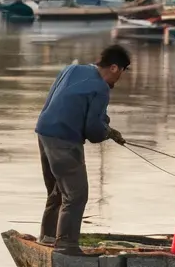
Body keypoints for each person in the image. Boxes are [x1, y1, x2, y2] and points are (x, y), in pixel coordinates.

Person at [35, 44, 130, 254]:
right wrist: (107, 132)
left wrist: (105, 125)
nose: (119, 79)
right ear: (115, 67)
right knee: (76, 195)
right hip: (65, 140)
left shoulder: (73, 69)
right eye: (122, 72)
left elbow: (53, 99)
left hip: (44, 132)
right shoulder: (101, 88)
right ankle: (66, 247)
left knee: (58, 191)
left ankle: (48, 237)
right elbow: (93, 130)